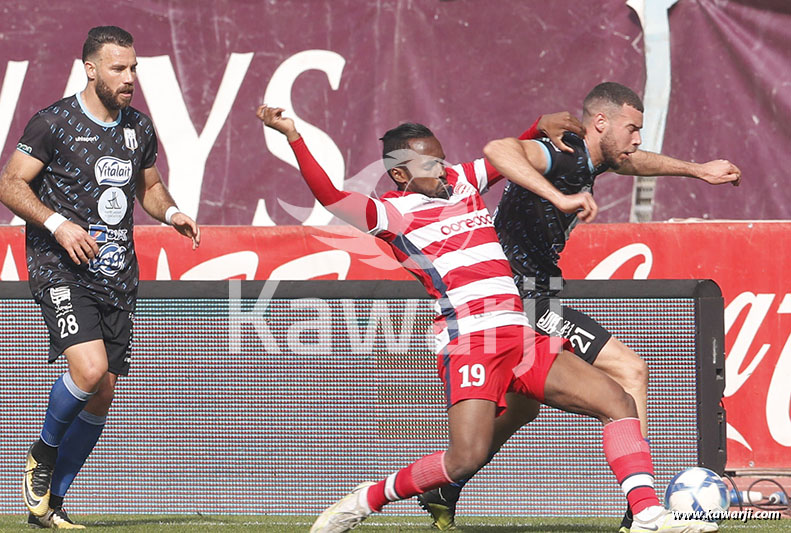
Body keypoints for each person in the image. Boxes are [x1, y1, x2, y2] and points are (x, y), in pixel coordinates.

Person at [256, 104, 717, 533]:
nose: (442, 169)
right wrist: (294, 136)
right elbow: (331, 197)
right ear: (399, 174)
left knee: (617, 400)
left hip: (520, 335)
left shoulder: (462, 181)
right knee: (463, 458)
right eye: (429, 164)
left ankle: (648, 515)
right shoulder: (391, 214)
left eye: (442, 158)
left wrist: (545, 122)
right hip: (471, 342)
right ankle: (365, 500)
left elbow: (510, 151)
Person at [417, 82, 741, 532]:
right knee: (630, 370)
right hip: (522, 294)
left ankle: (447, 485)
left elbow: (633, 163)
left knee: (523, 408)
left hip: (535, 291)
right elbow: (499, 150)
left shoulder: (590, 158)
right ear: (601, 123)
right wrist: (557, 196)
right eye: (632, 129)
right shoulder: (563, 153)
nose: (637, 140)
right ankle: (641, 512)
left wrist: (698, 170)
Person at [0, 26, 199, 529]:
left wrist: (171, 213)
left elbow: (149, 186)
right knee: (87, 371)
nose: (130, 78)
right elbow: (10, 184)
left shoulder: (138, 127)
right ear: (91, 69)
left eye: (133, 68)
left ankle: (49, 504)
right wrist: (57, 223)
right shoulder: (53, 122)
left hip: (116, 273)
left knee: (104, 389)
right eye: (118, 68)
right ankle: (41, 457)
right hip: (60, 266)